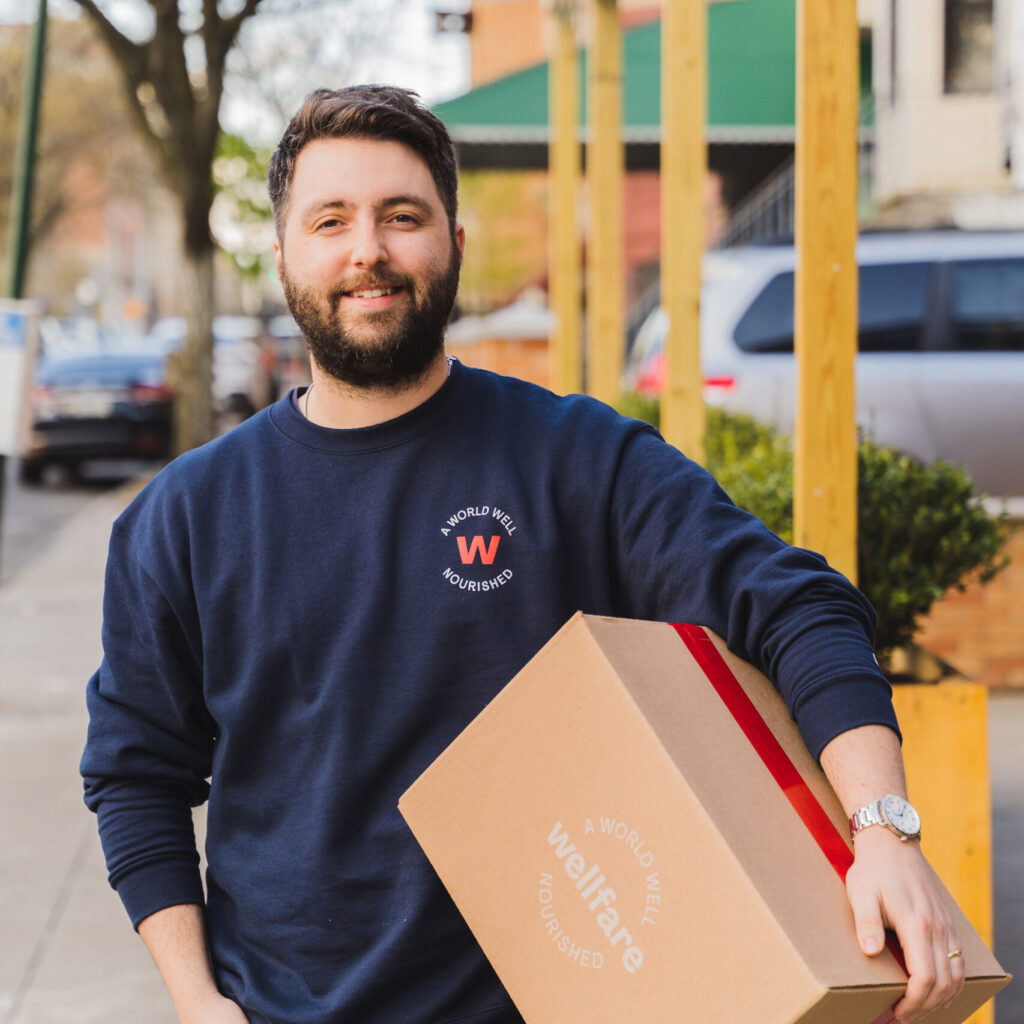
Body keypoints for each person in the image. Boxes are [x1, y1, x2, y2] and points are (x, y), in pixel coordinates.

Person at [81, 85, 964, 1024]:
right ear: (284, 256)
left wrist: (883, 833)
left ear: (454, 245)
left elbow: (797, 606)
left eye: (402, 216)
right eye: (330, 220)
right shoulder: (185, 516)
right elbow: (137, 774)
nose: (367, 249)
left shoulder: (575, 460)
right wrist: (195, 998)